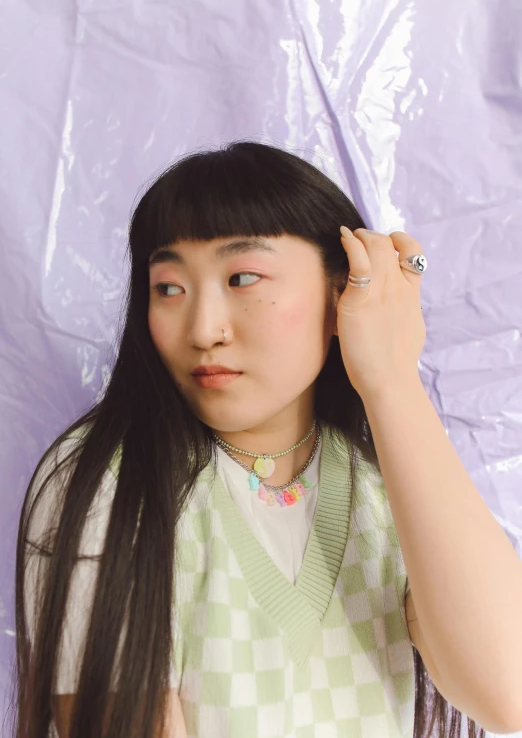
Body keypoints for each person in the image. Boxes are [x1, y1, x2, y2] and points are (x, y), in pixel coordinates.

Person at [13, 141, 469, 738]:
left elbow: (505, 692)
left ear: (342, 291)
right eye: (169, 287)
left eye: (243, 277)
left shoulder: (387, 482)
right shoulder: (113, 484)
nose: (203, 329)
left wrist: (392, 377)